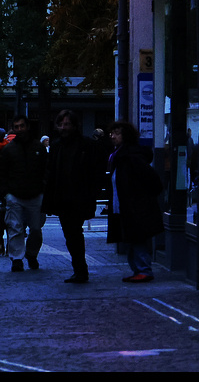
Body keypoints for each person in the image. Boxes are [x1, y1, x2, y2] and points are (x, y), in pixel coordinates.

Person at [43, 109, 104, 283]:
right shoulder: (57, 146)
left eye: (67, 124)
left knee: (73, 234)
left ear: (74, 125)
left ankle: (80, 269)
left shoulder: (85, 145)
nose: (63, 127)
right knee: (71, 235)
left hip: (77, 196)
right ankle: (79, 268)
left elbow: (95, 172)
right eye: (61, 124)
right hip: (64, 197)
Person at [106, 120, 164, 283]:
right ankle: (138, 269)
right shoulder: (119, 155)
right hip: (126, 205)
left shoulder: (130, 156)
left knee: (136, 237)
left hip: (134, 205)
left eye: (117, 133)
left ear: (126, 136)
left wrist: (141, 198)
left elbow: (152, 180)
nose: (113, 136)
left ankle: (143, 270)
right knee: (131, 238)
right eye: (112, 133)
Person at [0, 115, 46, 272]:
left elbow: (45, 169)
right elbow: (1, 172)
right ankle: (18, 258)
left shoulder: (37, 147)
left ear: (27, 126)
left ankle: (30, 254)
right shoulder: (12, 149)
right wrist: (6, 192)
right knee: (17, 228)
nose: (19, 129)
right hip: (17, 193)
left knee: (35, 230)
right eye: (16, 127)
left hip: (32, 192)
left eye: (21, 126)